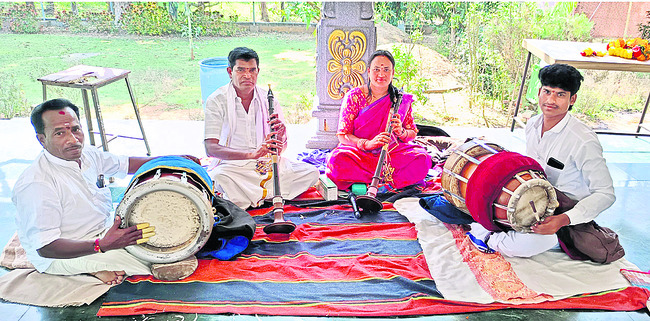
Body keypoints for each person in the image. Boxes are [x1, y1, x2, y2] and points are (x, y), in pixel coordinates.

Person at [468, 63, 616, 257]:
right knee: (479, 198)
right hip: (533, 199)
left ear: (573, 99)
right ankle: (489, 229)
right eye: (547, 92)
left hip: (564, 210)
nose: (551, 100)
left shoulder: (583, 140)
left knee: (535, 241)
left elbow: (606, 194)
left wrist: (563, 219)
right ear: (539, 92)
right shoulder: (533, 124)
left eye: (560, 95)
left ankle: (487, 237)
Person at [12, 98, 161, 285]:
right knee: (148, 265)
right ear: (42, 139)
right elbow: (46, 247)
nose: (73, 140)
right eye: (59, 133)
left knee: (159, 236)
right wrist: (102, 245)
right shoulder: (37, 183)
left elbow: (125, 164)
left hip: (102, 233)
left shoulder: (87, 153)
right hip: (60, 254)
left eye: (75, 129)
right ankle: (90, 269)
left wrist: (171, 159)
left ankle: (96, 265)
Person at [204, 47, 319, 209]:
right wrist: (251, 154)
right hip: (233, 167)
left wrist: (280, 136)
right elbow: (211, 149)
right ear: (230, 72)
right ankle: (269, 195)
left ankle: (249, 197)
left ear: (258, 71)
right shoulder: (217, 100)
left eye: (252, 70)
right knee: (217, 177)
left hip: (264, 164)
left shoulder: (268, 99)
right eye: (241, 70)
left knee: (312, 172)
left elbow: (280, 150)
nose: (247, 75)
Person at [326, 50, 432, 191]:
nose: (381, 74)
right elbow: (343, 136)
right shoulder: (354, 96)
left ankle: (371, 182)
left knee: (422, 159)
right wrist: (368, 144)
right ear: (369, 71)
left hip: (391, 153)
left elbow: (412, 133)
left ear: (393, 73)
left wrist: (400, 132)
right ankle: (391, 181)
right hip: (360, 153)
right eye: (376, 69)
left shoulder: (400, 99)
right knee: (337, 160)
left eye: (386, 70)